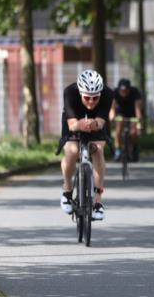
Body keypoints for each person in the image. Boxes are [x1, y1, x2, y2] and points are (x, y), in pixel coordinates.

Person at [58, 69, 112, 220]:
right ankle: (67, 190)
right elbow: (72, 124)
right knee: (73, 151)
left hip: (96, 122)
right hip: (74, 120)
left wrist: (94, 124)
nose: (91, 102)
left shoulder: (108, 93)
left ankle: (97, 202)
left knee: (98, 150)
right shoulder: (70, 92)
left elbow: (101, 122)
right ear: (81, 93)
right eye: (87, 97)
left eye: (95, 98)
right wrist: (80, 124)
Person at [110, 78, 143, 162]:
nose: (123, 92)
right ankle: (118, 150)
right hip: (121, 114)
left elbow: (137, 109)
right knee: (118, 129)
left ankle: (134, 148)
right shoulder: (115, 93)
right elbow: (112, 108)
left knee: (133, 132)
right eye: (122, 90)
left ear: (129, 89)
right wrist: (112, 116)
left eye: (125, 90)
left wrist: (138, 120)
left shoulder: (135, 92)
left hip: (132, 114)